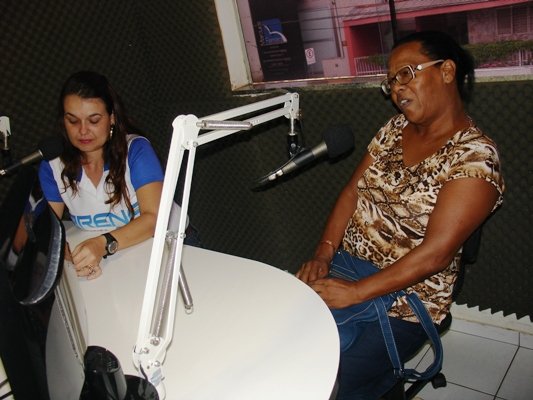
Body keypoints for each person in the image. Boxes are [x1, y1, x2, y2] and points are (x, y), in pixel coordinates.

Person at [296, 31, 504, 399]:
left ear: (446, 71)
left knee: (329, 376)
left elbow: (436, 254)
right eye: (391, 81)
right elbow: (352, 192)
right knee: (287, 337)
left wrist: (356, 293)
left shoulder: (476, 157)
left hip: (409, 298)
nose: (396, 88)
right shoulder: (393, 129)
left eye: (406, 73)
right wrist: (324, 253)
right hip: (347, 266)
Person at [39, 71, 166, 280]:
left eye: (94, 120)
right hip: (113, 261)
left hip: (165, 248)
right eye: (73, 121)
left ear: (112, 118)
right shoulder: (53, 164)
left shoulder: (136, 150)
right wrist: (72, 256)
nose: (83, 131)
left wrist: (102, 244)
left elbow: (154, 218)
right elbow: (46, 230)